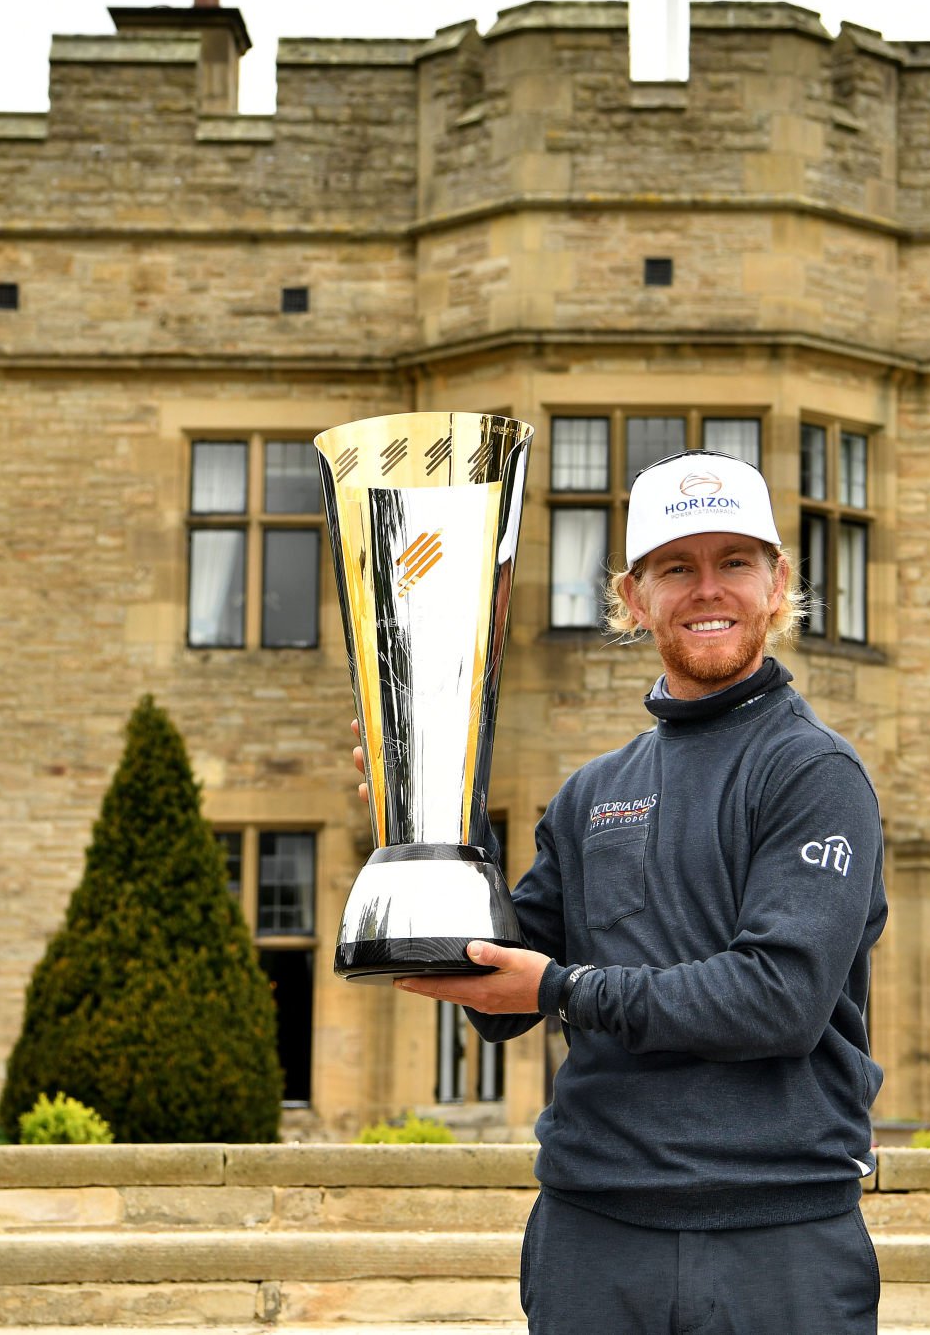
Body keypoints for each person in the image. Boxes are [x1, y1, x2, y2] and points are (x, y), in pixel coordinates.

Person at [369, 449, 888, 1333]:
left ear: (777, 583)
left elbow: (779, 1002)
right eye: (675, 568)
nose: (707, 589)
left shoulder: (813, 772)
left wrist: (559, 989)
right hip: (593, 1230)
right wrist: (431, 818)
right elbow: (501, 1000)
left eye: (734, 562)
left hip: (777, 1237)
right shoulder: (589, 792)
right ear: (632, 596)